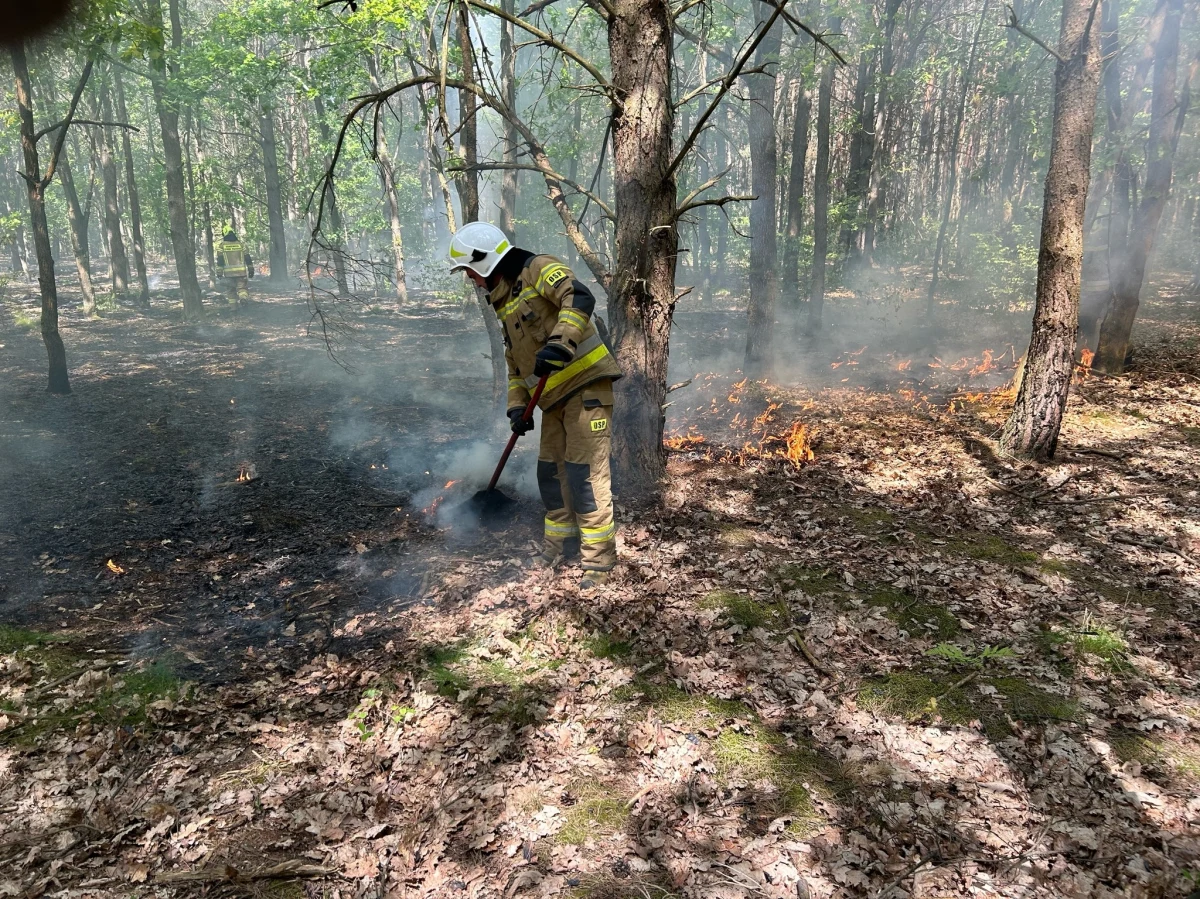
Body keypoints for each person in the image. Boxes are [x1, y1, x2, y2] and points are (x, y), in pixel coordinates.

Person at [449, 222, 621, 588]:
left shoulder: (537, 268)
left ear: (483, 263)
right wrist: (516, 407)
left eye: (468, 271)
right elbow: (516, 364)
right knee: (550, 475)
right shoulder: (505, 300)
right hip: (552, 401)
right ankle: (558, 544)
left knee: (584, 477)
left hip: (586, 387)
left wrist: (560, 343)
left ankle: (599, 563)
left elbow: (579, 296)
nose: (470, 280)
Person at [217, 229, 251, 305]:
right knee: (242, 289)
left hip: (228, 274)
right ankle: (243, 298)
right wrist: (251, 269)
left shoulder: (222, 246)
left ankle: (233, 309)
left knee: (230, 290)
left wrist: (219, 272)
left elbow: (220, 261)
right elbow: (247, 258)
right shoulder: (241, 245)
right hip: (241, 273)